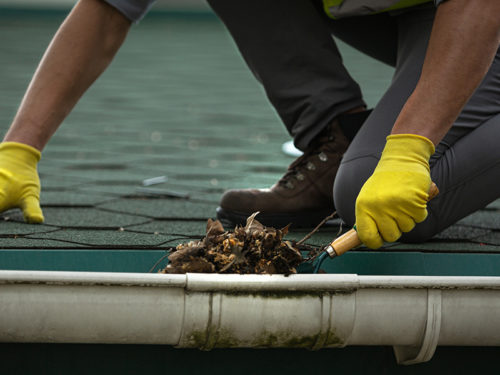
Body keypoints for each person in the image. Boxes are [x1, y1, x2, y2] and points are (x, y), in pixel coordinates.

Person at [2, 0, 499, 251]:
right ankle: (335, 134)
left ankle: (363, 163)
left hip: (480, 20)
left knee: (370, 196)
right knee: (360, 182)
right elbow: (109, 9)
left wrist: (408, 149)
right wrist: (19, 150)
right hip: (416, 18)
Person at [208, 0, 500, 248]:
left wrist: (407, 152)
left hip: (480, 16)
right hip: (411, 13)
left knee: (379, 199)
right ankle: (335, 141)